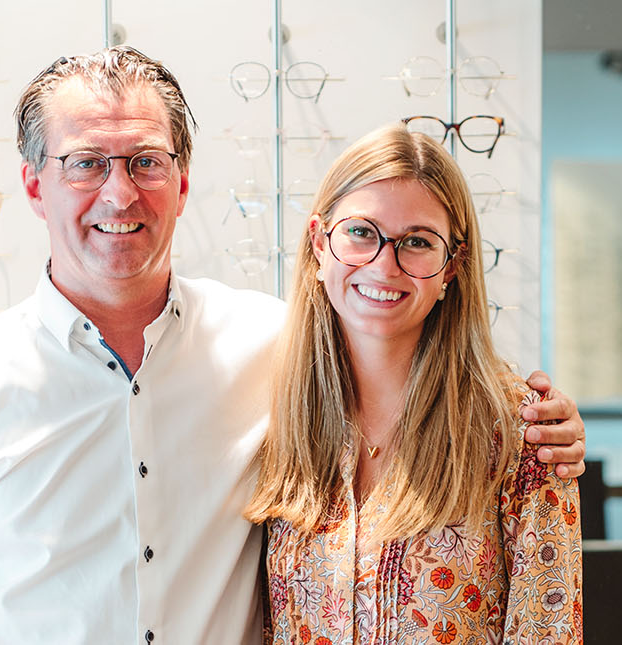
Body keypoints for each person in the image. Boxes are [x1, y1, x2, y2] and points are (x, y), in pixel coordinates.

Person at [0, 46, 587, 645]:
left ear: (182, 182)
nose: (120, 195)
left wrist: (546, 423)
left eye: (146, 162)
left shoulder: (277, 348)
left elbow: (408, 346)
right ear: (34, 184)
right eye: (87, 162)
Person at [245, 124, 582, 644]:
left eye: (418, 242)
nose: (384, 264)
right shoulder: (271, 414)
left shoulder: (521, 432)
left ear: (453, 266)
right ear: (319, 243)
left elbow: (548, 632)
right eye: (360, 232)